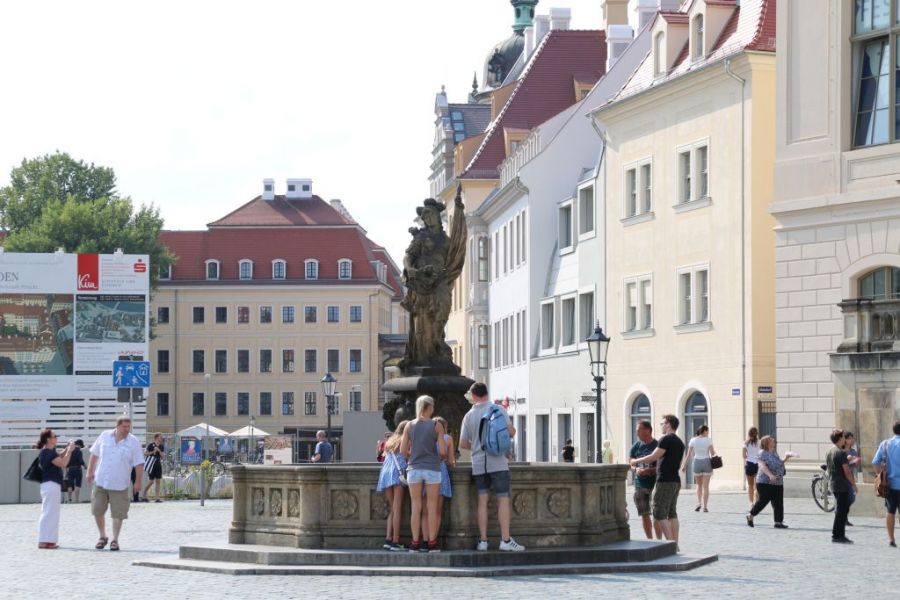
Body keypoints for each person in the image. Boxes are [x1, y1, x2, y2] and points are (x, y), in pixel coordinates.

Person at [459, 382, 524, 552]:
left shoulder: (468, 415)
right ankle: (505, 540)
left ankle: (483, 541)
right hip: (498, 462)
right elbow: (511, 432)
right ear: (486, 393)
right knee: (503, 499)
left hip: (479, 463)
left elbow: (463, 443)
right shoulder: (498, 409)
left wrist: (478, 446)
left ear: (474, 396)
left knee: (482, 501)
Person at [86, 415, 144, 551]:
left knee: (118, 513)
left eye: (128, 427)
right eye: (124, 427)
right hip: (101, 480)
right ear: (117, 426)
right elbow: (94, 454)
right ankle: (102, 536)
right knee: (97, 509)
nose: (127, 429)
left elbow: (139, 463)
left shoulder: (133, 442)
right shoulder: (104, 436)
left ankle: (115, 539)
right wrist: (89, 471)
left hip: (120, 483)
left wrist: (138, 482)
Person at [400, 395, 447, 553]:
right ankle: (432, 543)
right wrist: (439, 457)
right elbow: (443, 451)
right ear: (430, 407)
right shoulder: (436, 425)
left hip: (414, 469)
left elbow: (402, 451)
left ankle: (415, 543)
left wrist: (412, 456)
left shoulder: (409, 425)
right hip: (432, 468)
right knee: (432, 507)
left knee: (416, 506)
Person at [631, 414, 684, 548]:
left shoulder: (665, 439)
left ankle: (671, 545)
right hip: (675, 480)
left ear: (668, 424)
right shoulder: (680, 442)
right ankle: (675, 543)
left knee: (659, 513)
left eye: (662, 423)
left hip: (664, 480)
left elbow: (653, 456)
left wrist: (636, 461)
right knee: (672, 513)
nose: (661, 426)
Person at [36, 429, 76, 549]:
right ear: (48, 439)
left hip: (50, 484)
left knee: (51, 513)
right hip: (51, 484)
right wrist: (70, 451)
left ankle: (48, 540)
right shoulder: (47, 453)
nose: (56, 438)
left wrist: (67, 449)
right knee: (49, 513)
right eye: (54, 436)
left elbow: (59, 456)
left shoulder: (49, 451)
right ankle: (43, 540)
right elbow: (63, 463)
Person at [420, 416, 455, 543]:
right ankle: (432, 541)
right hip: (440, 473)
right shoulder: (447, 439)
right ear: (444, 427)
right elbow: (450, 461)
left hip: (424, 471)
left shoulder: (425, 438)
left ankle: (424, 541)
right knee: (437, 511)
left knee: (425, 512)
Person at [746, 436, 793, 529]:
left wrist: (786, 458)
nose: (774, 441)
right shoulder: (762, 453)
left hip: (778, 481)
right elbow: (762, 466)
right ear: (766, 443)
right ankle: (751, 515)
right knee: (763, 500)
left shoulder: (774, 452)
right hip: (765, 482)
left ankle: (778, 522)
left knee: (778, 502)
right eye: (771, 440)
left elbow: (779, 463)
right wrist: (770, 475)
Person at [376, 420, 408, 551]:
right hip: (397, 473)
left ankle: (388, 539)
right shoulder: (405, 439)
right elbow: (408, 454)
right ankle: (395, 540)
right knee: (397, 508)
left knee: (392, 508)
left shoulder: (390, 441)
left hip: (386, 473)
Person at [629, 420, 662, 540]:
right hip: (640, 484)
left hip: (656, 483)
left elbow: (661, 465)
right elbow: (631, 462)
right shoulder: (636, 446)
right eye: (636, 430)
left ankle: (659, 541)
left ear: (648, 430)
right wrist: (636, 470)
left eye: (639, 430)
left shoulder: (657, 445)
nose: (636, 432)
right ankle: (650, 540)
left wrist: (650, 470)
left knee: (657, 514)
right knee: (644, 513)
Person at [826, 429, 857, 544]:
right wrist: (854, 485)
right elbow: (847, 472)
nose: (845, 439)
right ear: (839, 439)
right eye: (843, 437)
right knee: (841, 512)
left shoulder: (830, 451)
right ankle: (838, 535)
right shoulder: (841, 452)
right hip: (842, 485)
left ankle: (838, 535)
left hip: (833, 483)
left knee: (840, 511)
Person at [873, 419, 900, 547]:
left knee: (890, 511)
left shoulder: (885, 444)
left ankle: (891, 539)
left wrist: (880, 476)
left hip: (889, 485)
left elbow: (875, 462)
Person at [682, 425, 716, 512]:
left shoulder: (693, 440)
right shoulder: (708, 440)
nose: (708, 433)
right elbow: (712, 453)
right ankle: (705, 507)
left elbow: (688, 454)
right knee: (706, 486)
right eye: (707, 431)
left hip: (697, 462)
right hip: (706, 462)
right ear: (704, 431)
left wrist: (684, 465)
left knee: (699, 485)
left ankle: (699, 503)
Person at [843, 431, 860, 527]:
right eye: (849, 438)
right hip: (842, 478)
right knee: (843, 499)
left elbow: (855, 466)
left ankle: (843, 515)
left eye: (852, 438)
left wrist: (856, 462)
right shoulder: (841, 451)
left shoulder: (853, 451)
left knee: (851, 498)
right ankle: (843, 518)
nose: (852, 440)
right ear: (845, 440)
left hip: (850, 477)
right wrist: (848, 460)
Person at [142, 433, 165, 502]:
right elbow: (145, 453)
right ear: (156, 437)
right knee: (151, 481)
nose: (162, 438)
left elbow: (162, 456)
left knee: (158, 481)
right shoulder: (151, 445)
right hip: (151, 464)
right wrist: (153, 451)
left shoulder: (161, 446)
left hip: (158, 464)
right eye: (160, 437)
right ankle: (144, 493)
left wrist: (159, 450)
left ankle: (157, 498)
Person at [742, 427, 760, 508]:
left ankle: (751, 503)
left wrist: (749, 457)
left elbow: (743, 455)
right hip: (758, 464)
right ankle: (756, 502)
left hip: (749, 464)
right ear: (757, 433)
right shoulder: (759, 442)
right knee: (757, 485)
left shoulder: (745, 443)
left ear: (749, 433)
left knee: (750, 485)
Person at [66, 439, 86, 504]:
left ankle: (69, 500)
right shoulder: (79, 451)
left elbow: (67, 461)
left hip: (70, 469)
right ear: (79, 445)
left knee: (70, 485)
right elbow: (81, 461)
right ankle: (77, 500)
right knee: (77, 484)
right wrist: (85, 466)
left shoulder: (70, 451)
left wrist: (67, 468)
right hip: (77, 469)